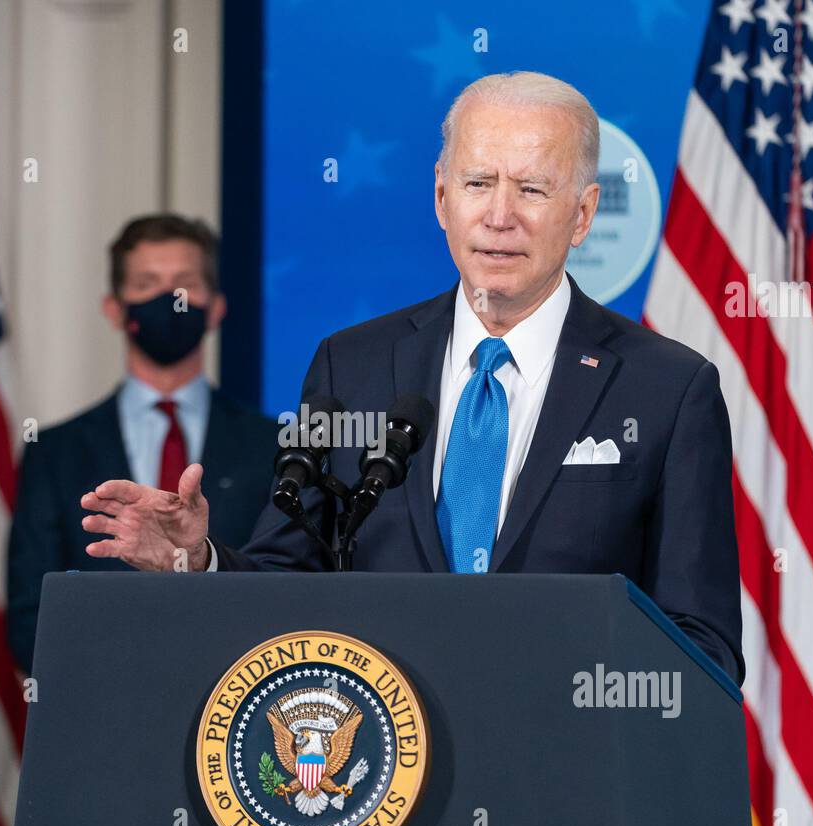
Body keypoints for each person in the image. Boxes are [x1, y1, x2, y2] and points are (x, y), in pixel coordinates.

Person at [78, 73, 744, 684]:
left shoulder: (668, 389)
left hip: (571, 780)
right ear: (441, 198)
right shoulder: (351, 364)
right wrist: (198, 559)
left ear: (583, 214)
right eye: (479, 183)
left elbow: (701, 642)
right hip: (384, 776)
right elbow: (289, 575)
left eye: (533, 188)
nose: (500, 215)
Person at [7, 214, 276, 673]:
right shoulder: (53, 452)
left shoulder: (274, 447)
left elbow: (288, 590)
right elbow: (29, 620)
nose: (168, 300)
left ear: (215, 307)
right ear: (115, 309)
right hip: (102, 716)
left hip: (239, 712)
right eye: (146, 283)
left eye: (184, 283)